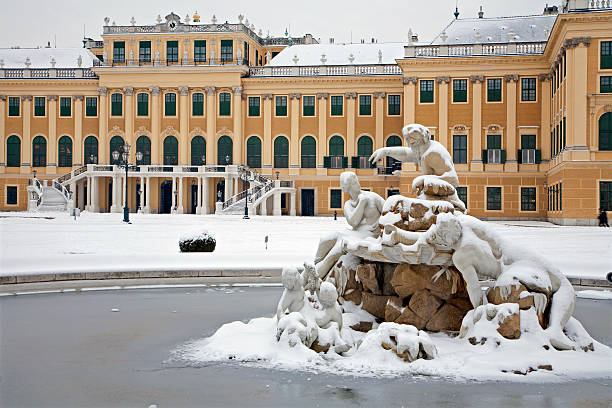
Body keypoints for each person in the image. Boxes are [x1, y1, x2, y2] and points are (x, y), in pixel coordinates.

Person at [369, 124, 465, 212]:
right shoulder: (422, 149)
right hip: (431, 196)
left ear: (423, 139)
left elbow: (453, 179)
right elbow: (406, 154)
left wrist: (424, 179)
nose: (410, 145)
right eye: (408, 141)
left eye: (413, 142)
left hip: (444, 199)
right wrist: (385, 151)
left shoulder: (433, 153)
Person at [314, 171, 384, 279]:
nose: (358, 184)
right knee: (325, 239)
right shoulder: (348, 205)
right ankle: (315, 265)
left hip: (371, 235)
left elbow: (388, 211)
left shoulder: (372, 197)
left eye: (357, 181)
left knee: (336, 250)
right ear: (347, 187)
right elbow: (353, 222)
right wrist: (361, 203)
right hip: (356, 233)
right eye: (354, 183)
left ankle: (316, 276)